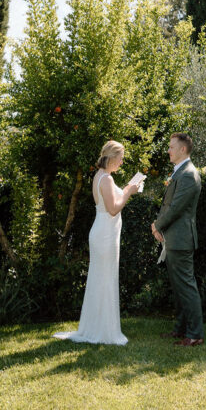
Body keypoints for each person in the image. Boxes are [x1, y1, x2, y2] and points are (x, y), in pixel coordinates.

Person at [54, 140, 142, 345]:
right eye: (120, 158)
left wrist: (129, 188)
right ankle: (104, 331)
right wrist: (129, 192)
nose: (122, 162)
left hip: (104, 232)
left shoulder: (102, 177)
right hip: (105, 235)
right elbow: (113, 209)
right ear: (111, 157)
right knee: (104, 280)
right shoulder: (106, 180)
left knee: (102, 280)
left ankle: (98, 326)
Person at [152, 132, 204, 347]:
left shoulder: (188, 174)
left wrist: (157, 225)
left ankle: (195, 334)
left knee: (186, 286)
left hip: (181, 240)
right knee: (179, 287)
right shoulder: (180, 172)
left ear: (183, 149)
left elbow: (175, 208)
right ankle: (181, 330)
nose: (168, 150)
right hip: (173, 238)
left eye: (172, 147)